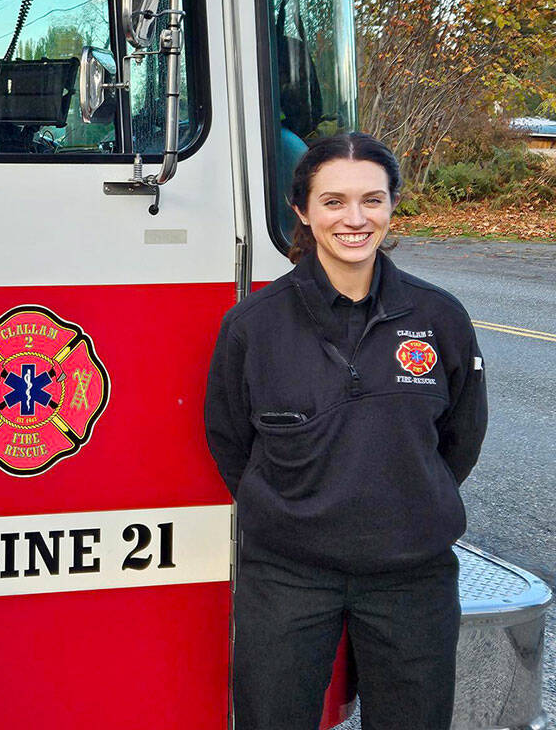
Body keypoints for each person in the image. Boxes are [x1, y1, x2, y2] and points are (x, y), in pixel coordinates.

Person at [204, 132, 487, 730]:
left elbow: (460, 439)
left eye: (372, 200)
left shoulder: (440, 317)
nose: (355, 220)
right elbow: (230, 439)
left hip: (412, 572)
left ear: (392, 206)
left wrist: (405, 495)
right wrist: (293, 509)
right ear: (302, 211)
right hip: (288, 573)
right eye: (333, 202)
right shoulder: (252, 326)